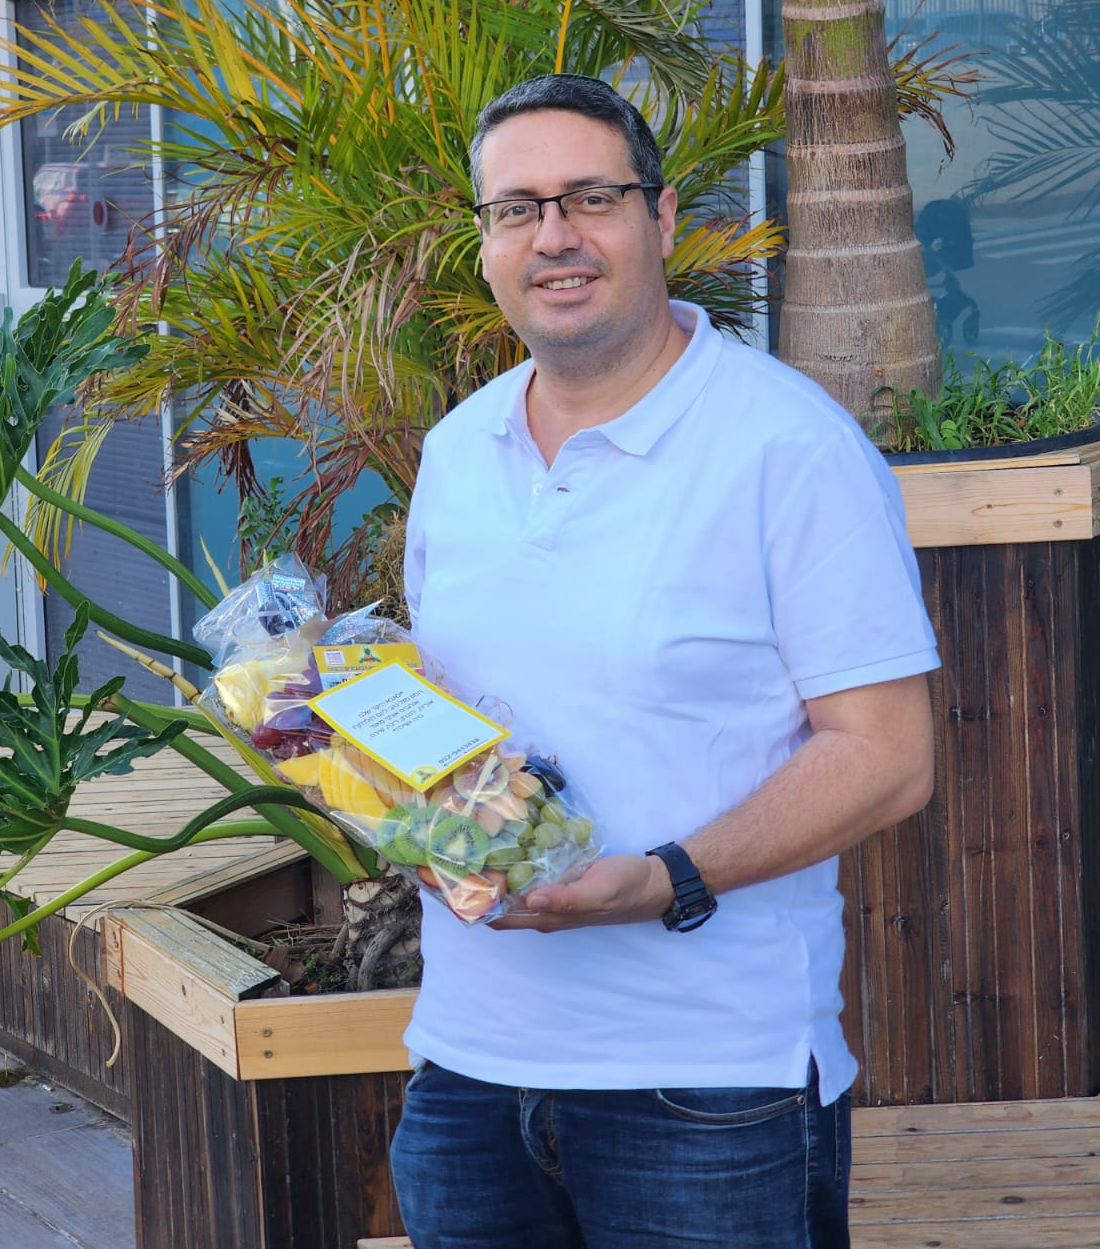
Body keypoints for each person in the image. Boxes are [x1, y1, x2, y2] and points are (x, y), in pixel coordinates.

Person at [391, 73, 938, 1249]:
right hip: (467, 1074)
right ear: (485, 242)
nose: (554, 236)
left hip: (711, 1086)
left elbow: (888, 757)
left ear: (663, 216)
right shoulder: (459, 450)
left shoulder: (789, 447)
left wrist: (666, 878)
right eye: (517, 208)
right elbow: (450, 722)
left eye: (590, 197)